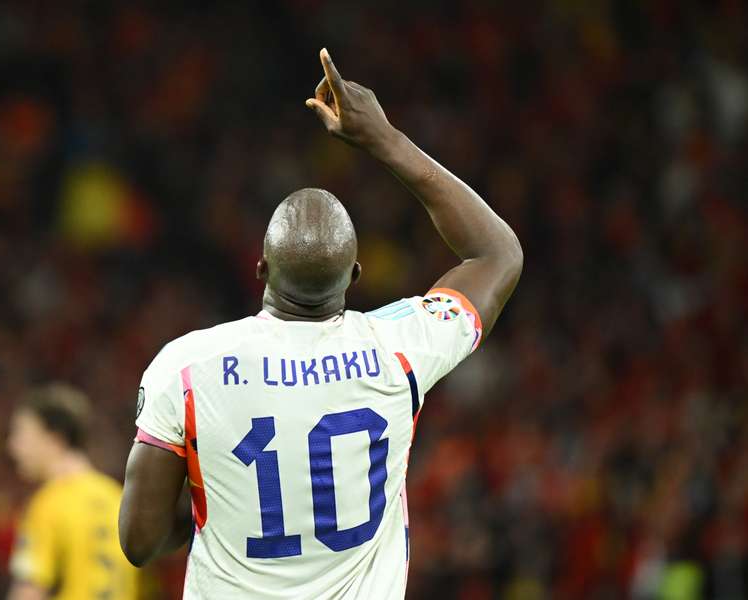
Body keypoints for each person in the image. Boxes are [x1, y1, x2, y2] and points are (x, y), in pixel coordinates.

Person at [118, 49, 523, 599]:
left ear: (260, 266)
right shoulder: (398, 349)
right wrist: (385, 140)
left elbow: (139, 541)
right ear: (355, 274)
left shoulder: (186, 368)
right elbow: (497, 255)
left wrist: (220, 508)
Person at [7, 384, 138, 600]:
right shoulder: (116, 496)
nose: (13, 446)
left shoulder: (49, 503)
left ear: (54, 438)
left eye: (21, 433)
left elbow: (28, 592)